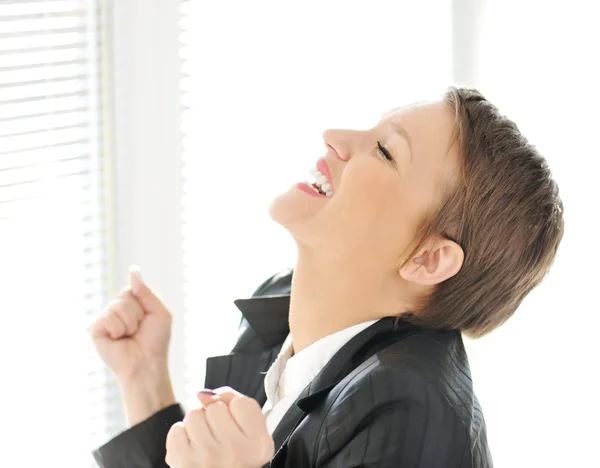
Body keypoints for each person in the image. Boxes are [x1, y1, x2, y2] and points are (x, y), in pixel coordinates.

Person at [89, 86, 564, 468]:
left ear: (427, 259)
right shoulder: (277, 307)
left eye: (383, 150)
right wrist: (145, 381)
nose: (334, 136)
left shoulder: (413, 413)